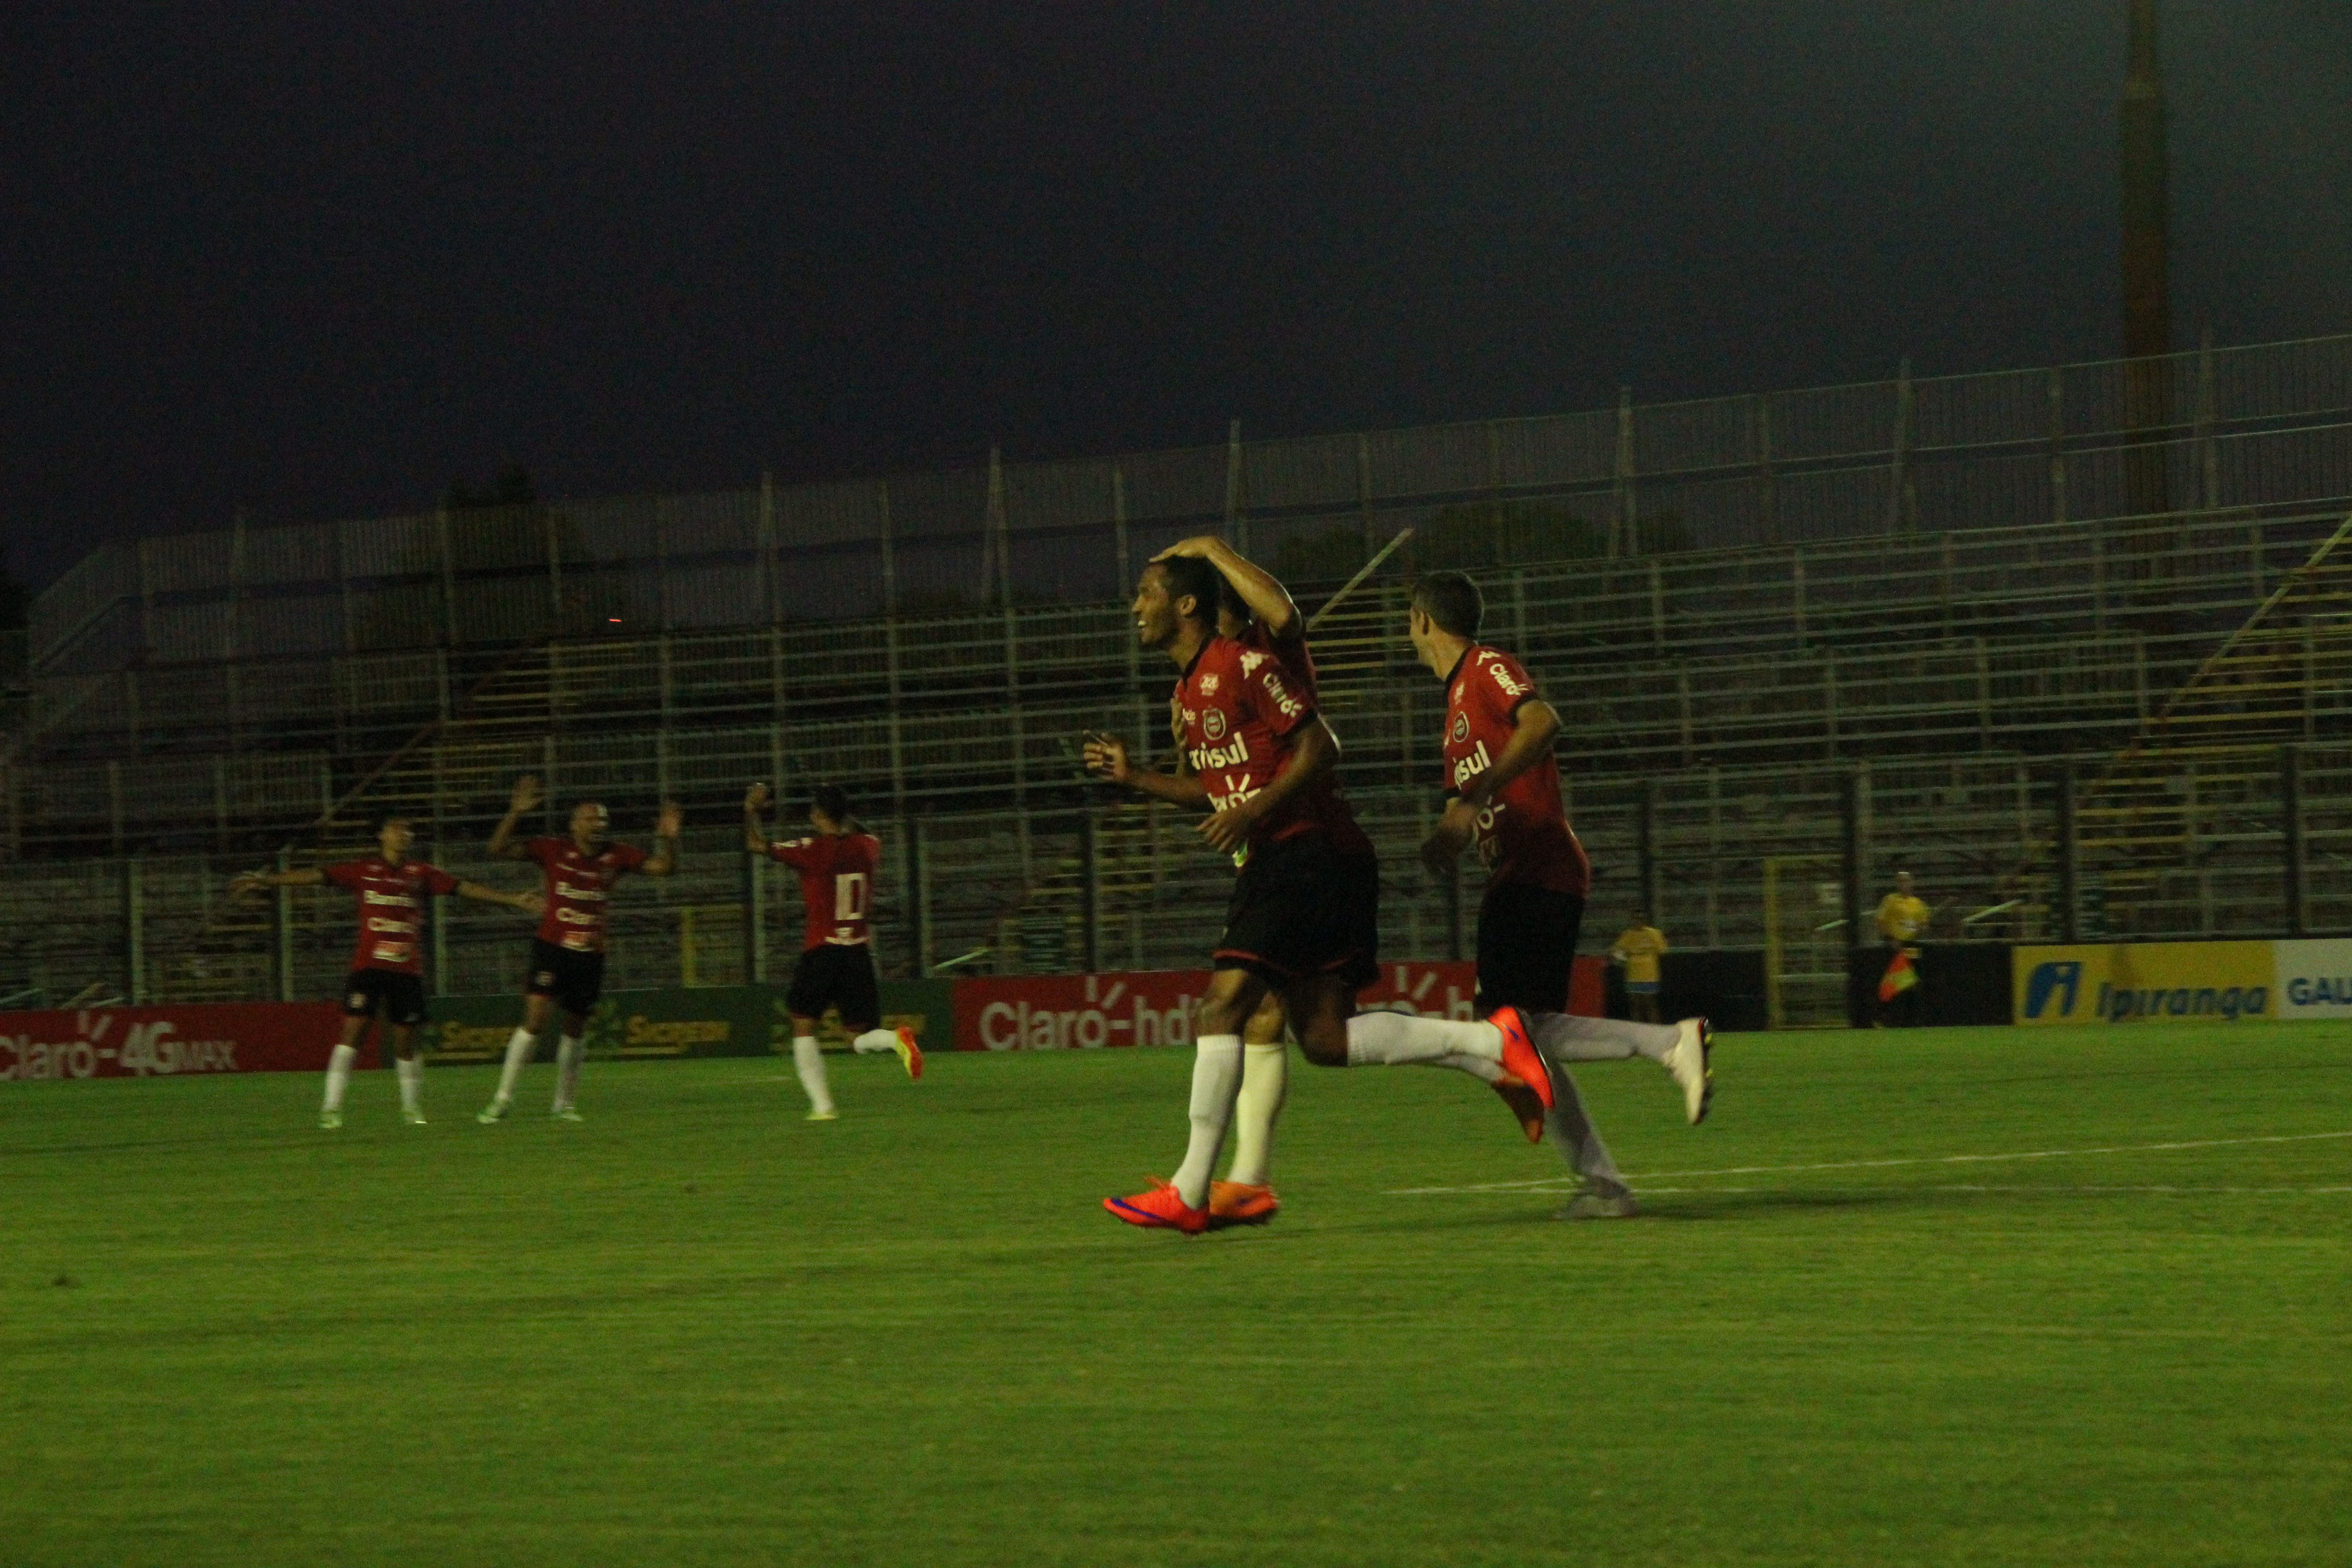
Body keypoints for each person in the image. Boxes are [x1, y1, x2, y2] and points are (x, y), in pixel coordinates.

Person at [1084, 542, 1558, 1234]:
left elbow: (1316, 742)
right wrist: (1137, 782)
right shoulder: (1188, 694)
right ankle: (1493, 1048)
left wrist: (1251, 811)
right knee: (1321, 1037)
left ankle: (1193, 1190)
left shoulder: (1251, 659)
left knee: (1222, 1010)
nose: (1134, 608)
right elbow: (1222, 789)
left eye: (1145, 593)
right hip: (1291, 856)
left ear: (1189, 604)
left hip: (1303, 853)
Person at [1406, 571, 1713, 1219]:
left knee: (1511, 1031)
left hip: (1538, 862)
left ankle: (1667, 1050)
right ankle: (1605, 1184)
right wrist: (1449, 835)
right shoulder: (1454, 707)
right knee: (1526, 1035)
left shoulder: (1485, 667)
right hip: (1517, 871)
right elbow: (1466, 806)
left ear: (1422, 621)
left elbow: (1544, 721)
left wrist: (1479, 792)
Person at [230, 813, 541, 1128]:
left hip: (406, 971)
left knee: (406, 1042)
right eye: (397, 829)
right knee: (352, 1034)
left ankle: (411, 1109)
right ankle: (332, 1107)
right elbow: (316, 876)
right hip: (369, 968)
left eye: (408, 830)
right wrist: (266, 880)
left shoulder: (421, 873)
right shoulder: (364, 870)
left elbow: (466, 888)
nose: (404, 834)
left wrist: (512, 899)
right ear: (382, 836)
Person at [476, 775, 679, 1123]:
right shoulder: (553, 849)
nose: (597, 825)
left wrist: (669, 840)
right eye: (589, 819)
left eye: (601, 819)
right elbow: (495, 849)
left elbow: (664, 868)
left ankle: (564, 1105)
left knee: (576, 1027)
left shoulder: (617, 855)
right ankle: (502, 1099)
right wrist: (514, 812)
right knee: (536, 1020)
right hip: (552, 948)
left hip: (590, 953)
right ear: (574, 825)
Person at [743, 779, 922, 1120]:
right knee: (858, 1037)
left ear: (818, 815)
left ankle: (823, 1106)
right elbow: (861, 832)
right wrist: (841, 818)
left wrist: (751, 809)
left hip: (822, 950)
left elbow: (754, 843)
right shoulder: (868, 846)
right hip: (857, 952)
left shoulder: (812, 849)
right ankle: (896, 1040)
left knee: (802, 1025)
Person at [1874, 870, 1931, 1027]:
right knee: (1893, 983)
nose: (1904, 884)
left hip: (1911, 946)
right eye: (1901, 881)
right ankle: (1883, 1017)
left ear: (1912, 883)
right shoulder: (1890, 900)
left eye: (1907, 881)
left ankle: (1912, 1020)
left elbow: (1923, 924)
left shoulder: (1918, 904)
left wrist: (1923, 928)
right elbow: (1880, 921)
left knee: (1912, 982)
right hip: (1896, 945)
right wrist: (1890, 939)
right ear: (1897, 883)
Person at [1610, 911, 1669, 1024]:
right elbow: (1616, 951)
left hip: (1649, 974)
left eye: (1641, 919)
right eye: (1636, 919)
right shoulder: (1627, 935)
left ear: (1645, 921)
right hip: (1633, 974)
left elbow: (1662, 950)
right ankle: (1637, 1028)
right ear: (1632, 921)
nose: (1638, 922)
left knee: (1650, 1003)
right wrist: (1621, 958)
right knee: (1635, 1004)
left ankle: (1655, 1028)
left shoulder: (1654, 934)